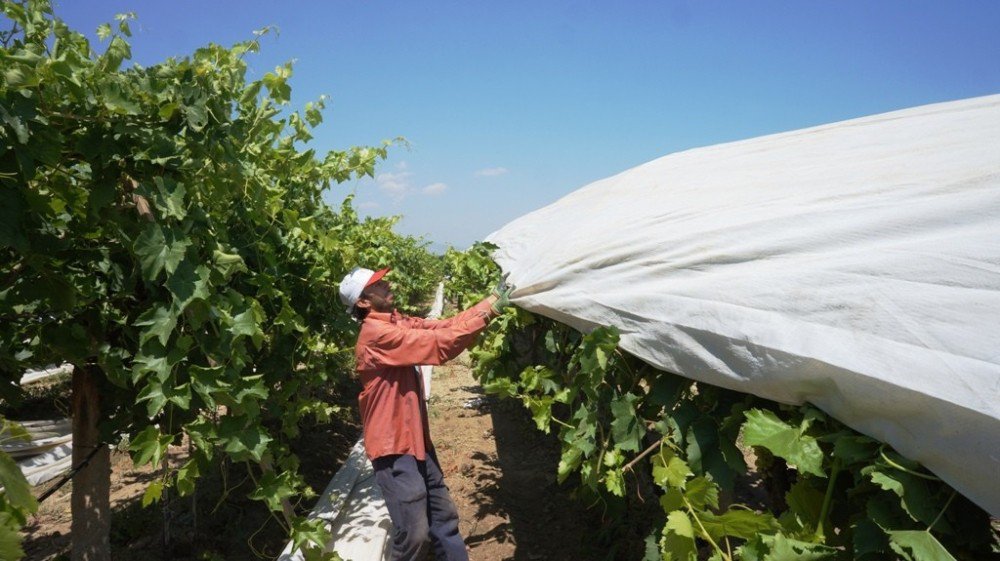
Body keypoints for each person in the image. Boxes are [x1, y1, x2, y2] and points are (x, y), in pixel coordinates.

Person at [338, 266, 514, 561]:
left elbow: (442, 328)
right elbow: (439, 346)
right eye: (378, 285)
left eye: (383, 280)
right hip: (393, 446)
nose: (388, 284)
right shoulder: (377, 334)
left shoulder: (395, 322)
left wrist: (490, 300)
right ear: (363, 302)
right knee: (414, 534)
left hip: (415, 438)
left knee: (443, 517)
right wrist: (489, 314)